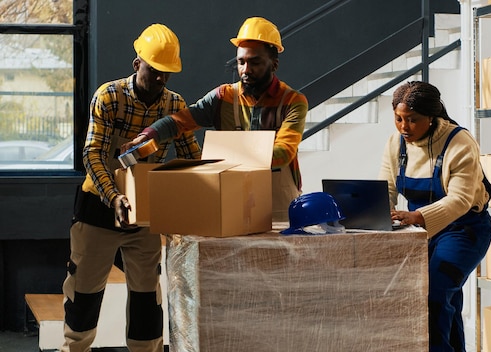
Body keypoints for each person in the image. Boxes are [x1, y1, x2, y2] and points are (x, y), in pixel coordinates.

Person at [61, 24, 201, 352]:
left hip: (146, 211)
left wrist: (207, 187)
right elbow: (93, 154)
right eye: (155, 70)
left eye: (167, 73)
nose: (161, 80)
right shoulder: (109, 97)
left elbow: (190, 157)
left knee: (146, 298)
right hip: (98, 207)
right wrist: (115, 197)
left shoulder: (174, 105)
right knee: (84, 294)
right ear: (137, 63)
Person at [121, 17, 308, 221]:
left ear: (274, 64)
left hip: (278, 203)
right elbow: (180, 121)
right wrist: (149, 135)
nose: (246, 70)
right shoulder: (223, 97)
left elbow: (284, 152)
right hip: (233, 198)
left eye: (255, 62)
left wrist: (223, 155)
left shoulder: (293, 102)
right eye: (241, 62)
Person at [378, 81, 491, 352]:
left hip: (465, 230)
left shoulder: (459, 142)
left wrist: (416, 216)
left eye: (412, 120)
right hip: (420, 231)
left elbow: (461, 200)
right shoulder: (396, 143)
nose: (404, 127)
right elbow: (387, 189)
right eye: (398, 119)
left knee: (434, 296)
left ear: (431, 117)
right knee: (442, 302)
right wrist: (378, 213)